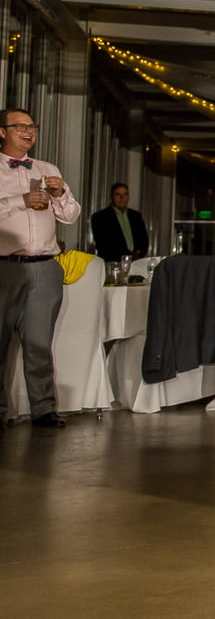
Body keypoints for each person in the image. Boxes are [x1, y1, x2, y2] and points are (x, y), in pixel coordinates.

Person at [0, 108, 82, 428]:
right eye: (20, 126)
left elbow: (71, 216)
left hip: (45, 266)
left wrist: (60, 195)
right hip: (5, 266)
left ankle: (44, 409)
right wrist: (20, 200)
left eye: (32, 126)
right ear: (2, 132)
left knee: (39, 343)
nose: (29, 131)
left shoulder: (47, 168)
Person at [89, 183, 148, 262]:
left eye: (125, 194)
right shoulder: (100, 217)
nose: (122, 198)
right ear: (112, 197)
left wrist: (138, 256)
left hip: (136, 263)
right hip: (112, 264)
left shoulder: (136, 216)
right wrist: (124, 258)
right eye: (118, 195)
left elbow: (144, 240)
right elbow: (102, 244)